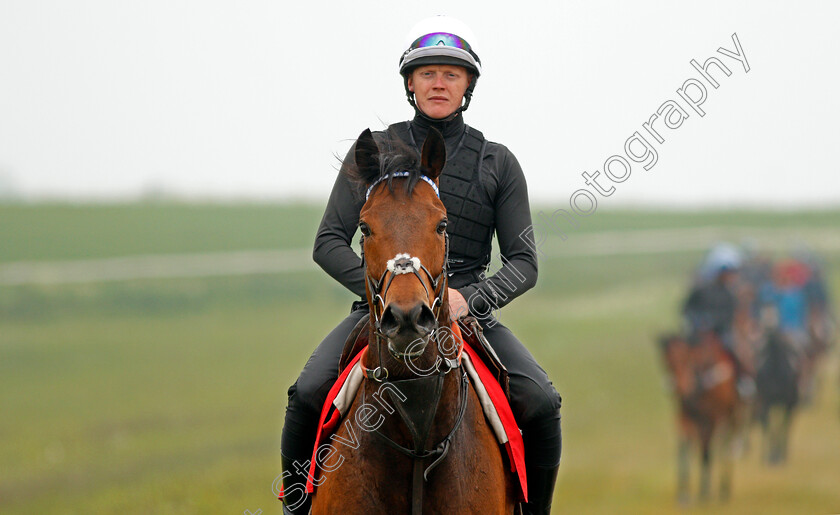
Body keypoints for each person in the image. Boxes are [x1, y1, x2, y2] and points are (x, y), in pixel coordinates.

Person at [280, 15, 562, 514]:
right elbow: (328, 241)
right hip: (382, 307)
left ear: (468, 85)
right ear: (410, 84)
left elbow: (524, 263)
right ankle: (296, 507)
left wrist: (468, 298)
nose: (438, 83)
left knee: (541, 402)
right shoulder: (372, 153)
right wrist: (384, 292)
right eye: (428, 73)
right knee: (306, 395)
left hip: (464, 308)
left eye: (451, 74)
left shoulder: (497, 163)